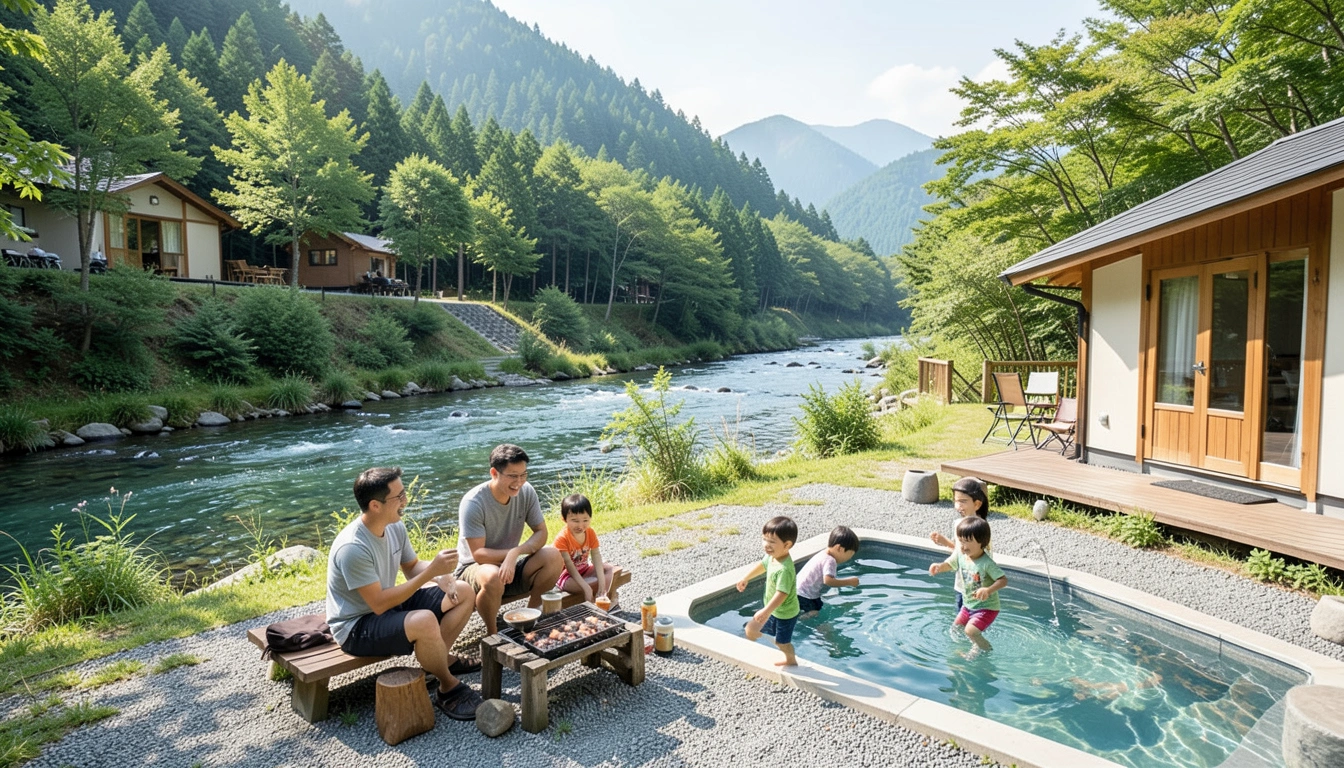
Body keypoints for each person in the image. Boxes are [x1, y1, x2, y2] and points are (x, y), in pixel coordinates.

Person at [326, 467, 483, 720]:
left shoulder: (393, 526)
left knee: (463, 591)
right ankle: (447, 685)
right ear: (375, 505)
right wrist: (431, 569)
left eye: (404, 493)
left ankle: (437, 661)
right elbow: (377, 604)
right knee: (424, 620)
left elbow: (411, 568)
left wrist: (441, 576)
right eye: (398, 496)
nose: (405, 501)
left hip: (389, 604)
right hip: (356, 625)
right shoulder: (352, 547)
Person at [456, 444, 563, 635]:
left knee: (553, 556)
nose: (519, 482)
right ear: (494, 473)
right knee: (492, 576)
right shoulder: (473, 502)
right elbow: (479, 554)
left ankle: (531, 617)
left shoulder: (526, 491)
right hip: (474, 569)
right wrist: (511, 555)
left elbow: (541, 532)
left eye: (523, 475)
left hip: (509, 566)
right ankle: (493, 634)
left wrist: (516, 553)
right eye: (513, 476)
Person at [929, 516, 1007, 658]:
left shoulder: (986, 563)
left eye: (968, 541)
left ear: (982, 542)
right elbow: (950, 564)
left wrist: (988, 590)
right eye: (961, 541)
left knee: (970, 631)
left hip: (986, 608)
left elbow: (1003, 580)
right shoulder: (960, 555)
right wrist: (939, 566)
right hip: (968, 605)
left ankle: (984, 649)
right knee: (956, 628)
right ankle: (964, 646)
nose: (963, 546)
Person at [735, 516, 801, 666]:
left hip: (785, 614)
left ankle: (791, 661)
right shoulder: (772, 556)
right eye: (764, 539)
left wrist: (765, 611)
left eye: (772, 542)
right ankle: (753, 648)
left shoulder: (785, 569)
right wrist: (746, 578)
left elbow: (781, 594)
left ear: (787, 545)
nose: (766, 545)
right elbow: (762, 565)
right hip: (772, 610)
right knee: (751, 629)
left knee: (782, 643)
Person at [930, 476, 991, 614]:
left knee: (973, 626)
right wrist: (945, 542)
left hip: (977, 587)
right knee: (960, 624)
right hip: (961, 585)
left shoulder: (981, 527)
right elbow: (960, 551)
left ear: (977, 504)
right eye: (956, 501)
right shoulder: (958, 524)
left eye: (963, 501)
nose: (958, 506)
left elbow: (984, 556)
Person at [553, 493, 620, 606]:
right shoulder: (562, 538)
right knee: (590, 584)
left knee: (611, 569)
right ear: (564, 519)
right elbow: (569, 566)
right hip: (567, 577)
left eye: (585, 520)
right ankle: (603, 597)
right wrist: (586, 588)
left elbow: (596, 557)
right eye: (575, 520)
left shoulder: (590, 533)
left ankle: (602, 596)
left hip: (584, 569)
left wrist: (602, 586)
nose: (581, 525)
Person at [795, 525, 860, 618]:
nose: (849, 558)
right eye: (849, 554)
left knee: (819, 606)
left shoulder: (823, 554)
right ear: (839, 548)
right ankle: (798, 622)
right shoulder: (830, 561)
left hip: (797, 590)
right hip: (805, 595)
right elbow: (828, 581)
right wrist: (850, 582)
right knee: (815, 613)